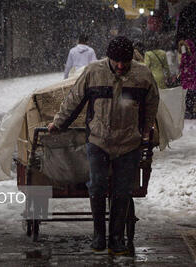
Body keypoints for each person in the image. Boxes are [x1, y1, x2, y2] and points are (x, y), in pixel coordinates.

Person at [48, 36, 159, 255]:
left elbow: (151, 103)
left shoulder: (142, 75)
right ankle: (99, 235)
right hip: (98, 140)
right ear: (109, 58)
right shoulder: (93, 72)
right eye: (116, 61)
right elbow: (74, 100)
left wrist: (145, 130)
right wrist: (59, 124)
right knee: (97, 186)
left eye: (125, 62)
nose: (120, 66)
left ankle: (116, 238)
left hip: (129, 143)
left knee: (122, 191)